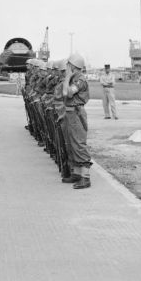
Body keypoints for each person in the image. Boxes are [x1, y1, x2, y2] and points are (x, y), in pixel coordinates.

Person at [62, 53, 92, 189]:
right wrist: (68, 77)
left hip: (76, 113)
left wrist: (67, 77)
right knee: (71, 143)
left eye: (68, 65)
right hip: (70, 112)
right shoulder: (73, 78)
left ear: (73, 66)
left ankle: (85, 178)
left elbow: (67, 93)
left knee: (79, 143)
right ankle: (77, 173)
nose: (66, 67)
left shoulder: (79, 79)